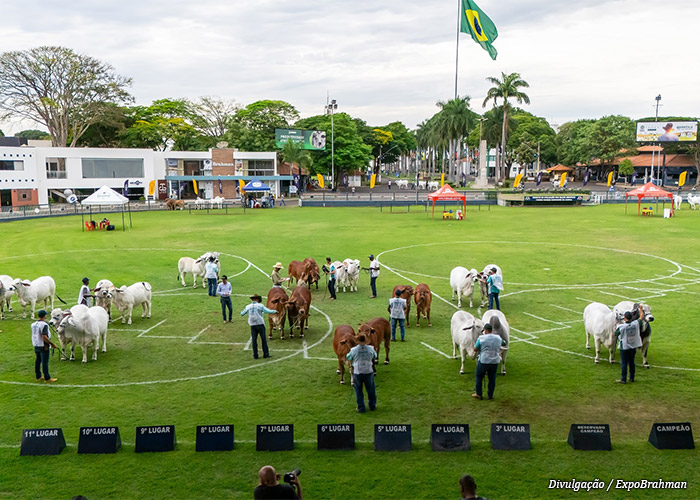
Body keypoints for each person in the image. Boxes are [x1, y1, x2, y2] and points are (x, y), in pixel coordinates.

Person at [472, 323, 506, 400]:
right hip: (494, 361)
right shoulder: (497, 337)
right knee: (492, 378)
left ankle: (479, 394)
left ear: (486, 330)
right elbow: (504, 343)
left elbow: (475, 348)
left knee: (479, 376)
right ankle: (490, 395)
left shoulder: (481, 338)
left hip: (484, 360)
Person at [346, 333, 377, 413]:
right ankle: (372, 405)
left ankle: (361, 408)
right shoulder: (370, 348)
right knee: (371, 390)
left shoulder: (353, 350)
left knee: (359, 391)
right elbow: (375, 356)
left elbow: (348, 357)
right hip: (368, 371)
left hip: (357, 372)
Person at [240, 294, 276, 359]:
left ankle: (255, 355)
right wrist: (274, 311)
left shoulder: (248, 306)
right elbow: (267, 311)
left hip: (252, 324)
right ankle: (266, 354)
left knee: (254, 340)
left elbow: (242, 313)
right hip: (260, 323)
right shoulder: (260, 305)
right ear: (257, 299)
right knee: (263, 339)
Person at [615, 306, 645, 384]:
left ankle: (623, 379)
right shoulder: (635, 324)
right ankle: (632, 378)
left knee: (624, 363)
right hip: (633, 346)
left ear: (625, 318)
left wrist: (616, 326)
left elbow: (616, 333)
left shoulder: (621, 326)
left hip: (624, 347)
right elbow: (642, 317)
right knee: (632, 362)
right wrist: (641, 309)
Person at [31, 310, 58, 383]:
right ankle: (47, 378)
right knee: (45, 362)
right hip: (43, 345)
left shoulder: (33, 324)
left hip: (36, 344)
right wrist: (52, 344)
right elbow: (44, 337)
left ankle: (38, 376)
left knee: (38, 361)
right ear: (44, 316)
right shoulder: (44, 325)